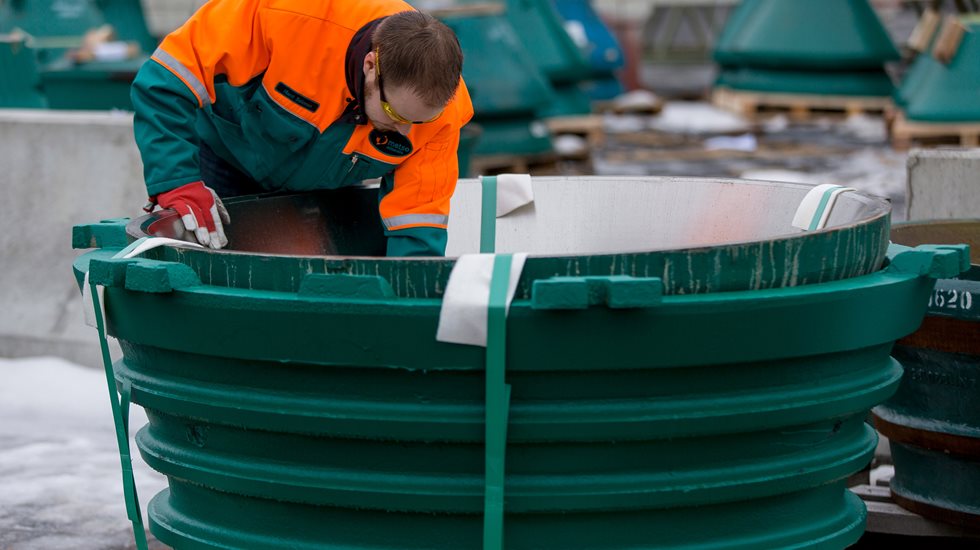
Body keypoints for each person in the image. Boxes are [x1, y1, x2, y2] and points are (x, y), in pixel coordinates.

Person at [131, 0, 473, 256]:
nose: (402, 128)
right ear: (371, 65)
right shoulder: (285, 14)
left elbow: (417, 221)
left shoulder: (439, 112)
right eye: (391, 112)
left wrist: (407, 303)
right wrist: (177, 181)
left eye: (417, 121)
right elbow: (165, 81)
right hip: (227, 162)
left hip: (323, 191)